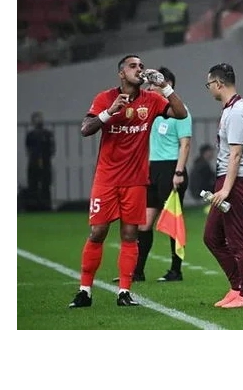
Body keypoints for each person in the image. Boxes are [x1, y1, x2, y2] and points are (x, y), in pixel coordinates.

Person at [68, 55, 188, 308]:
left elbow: (181, 113)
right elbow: (86, 129)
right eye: (133, 66)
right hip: (107, 179)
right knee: (98, 232)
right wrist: (109, 112)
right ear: (121, 73)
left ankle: (124, 292)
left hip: (135, 181)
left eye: (141, 66)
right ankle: (85, 291)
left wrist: (165, 87)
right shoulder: (105, 98)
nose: (139, 69)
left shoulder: (152, 99)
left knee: (130, 234)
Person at [112, 66, 192, 283]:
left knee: (173, 222)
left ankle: (176, 270)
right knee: (144, 224)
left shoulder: (180, 111)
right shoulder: (151, 109)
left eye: (153, 83)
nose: (149, 87)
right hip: (150, 170)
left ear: (167, 85)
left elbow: (185, 144)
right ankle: (137, 272)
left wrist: (179, 172)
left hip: (171, 169)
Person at [203, 63, 243, 308]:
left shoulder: (236, 112)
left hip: (236, 182)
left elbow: (236, 154)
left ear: (218, 83)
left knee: (237, 240)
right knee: (212, 237)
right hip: (227, 179)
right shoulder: (230, 109)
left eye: (209, 84)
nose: (209, 89)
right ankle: (237, 286)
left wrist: (226, 189)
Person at [25, 111, 55, 211]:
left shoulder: (47, 134)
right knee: (33, 184)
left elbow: (51, 148)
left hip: (45, 162)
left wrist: (44, 158)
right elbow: (28, 149)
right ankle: (33, 206)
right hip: (34, 162)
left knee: (46, 184)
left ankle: (46, 206)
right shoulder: (31, 135)